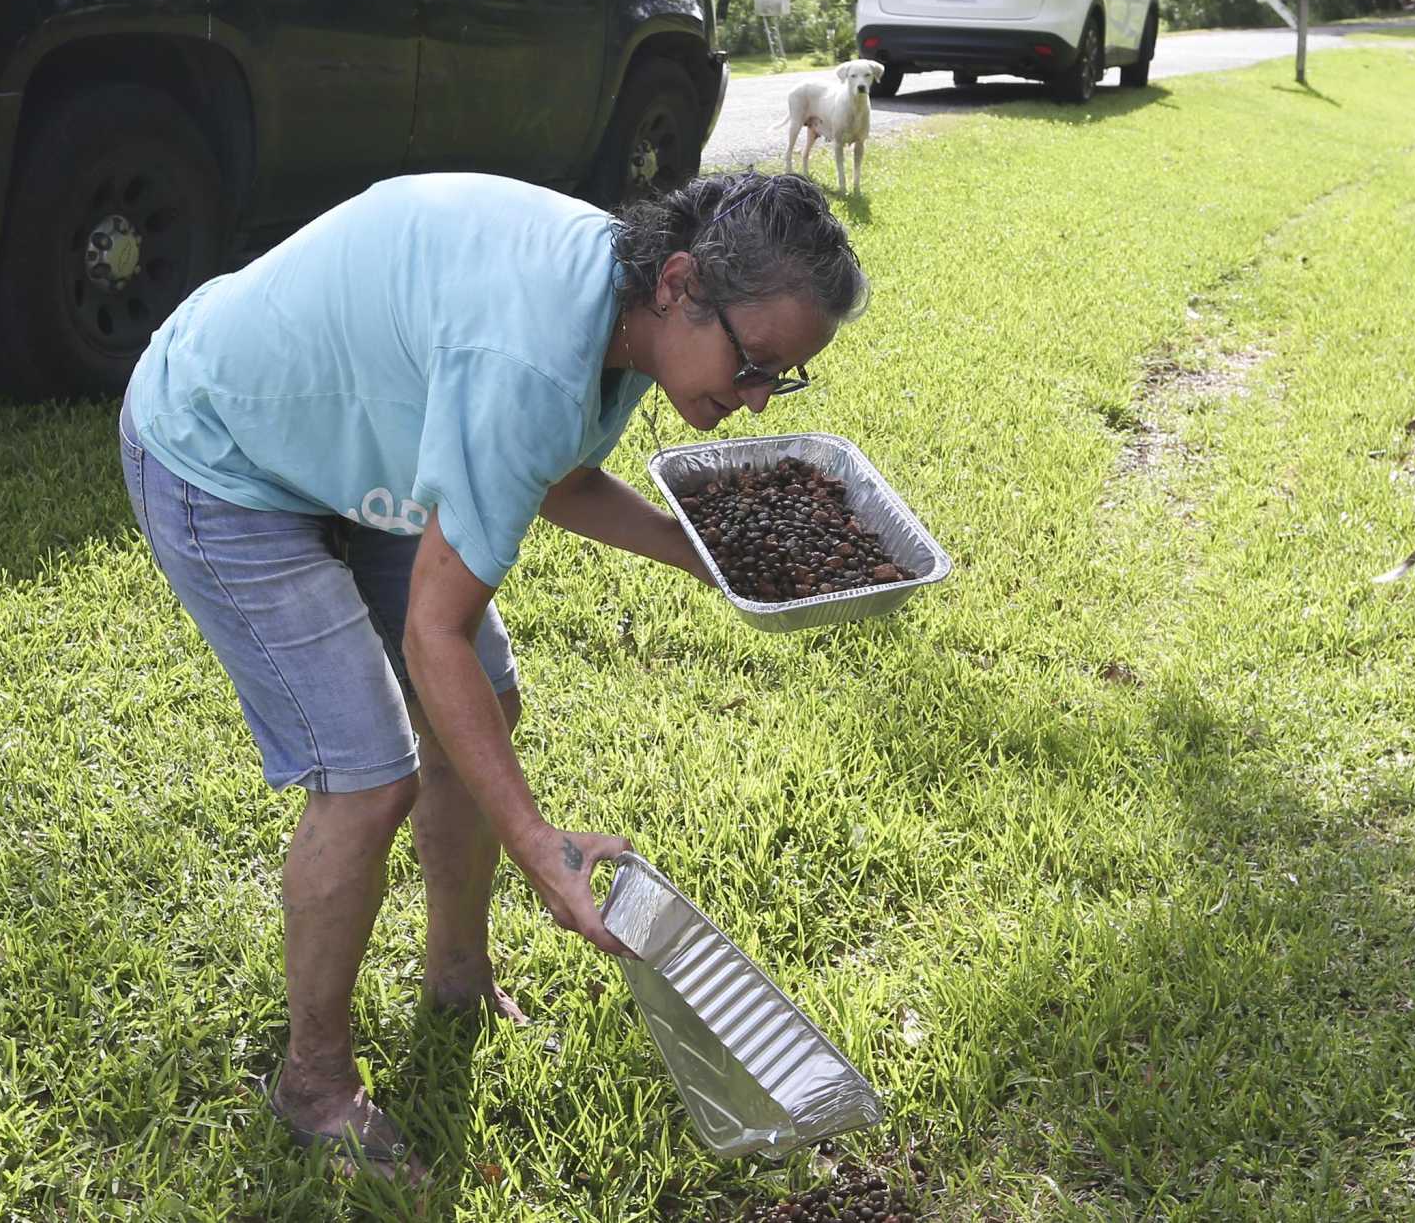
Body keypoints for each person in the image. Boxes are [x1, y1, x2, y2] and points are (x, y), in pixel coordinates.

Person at [117, 169, 866, 1183]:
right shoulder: (535, 351)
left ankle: (458, 981)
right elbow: (436, 632)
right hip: (223, 449)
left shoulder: (634, 310)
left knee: (486, 708)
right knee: (366, 776)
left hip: (356, 443)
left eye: (781, 382)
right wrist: (539, 846)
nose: (753, 401)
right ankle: (314, 1084)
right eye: (753, 366)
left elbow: (544, 464)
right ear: (681, 281)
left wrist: (696, 552)